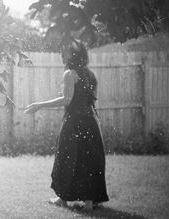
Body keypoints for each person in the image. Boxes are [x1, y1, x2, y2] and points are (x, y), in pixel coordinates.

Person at [24, 39, 109, 211]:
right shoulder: (90, 74)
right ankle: (89, 202)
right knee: (89, 160)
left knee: (66, 158)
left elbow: (67, 99)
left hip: (74, 122)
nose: (62, 54)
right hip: (91, 121)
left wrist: (39, 105)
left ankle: (62, 199)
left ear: (73, 55)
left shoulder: (70, 73)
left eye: (65, 51)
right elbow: (91, 101)